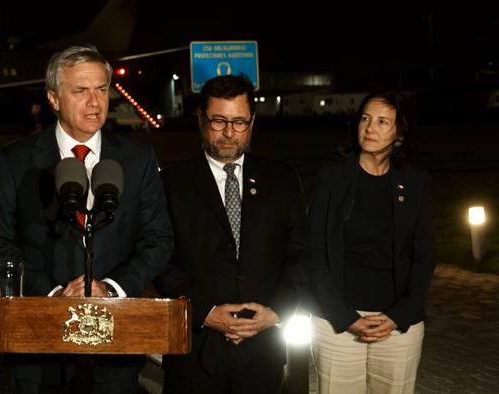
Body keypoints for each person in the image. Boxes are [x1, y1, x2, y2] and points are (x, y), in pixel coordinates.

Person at [0, 45, 173, 393]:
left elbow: (158, 239)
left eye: (101, 89)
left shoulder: (139, 159)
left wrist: (110, 288)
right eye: (80, 91)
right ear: (53, 98)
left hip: (114, 345)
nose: (95, 102)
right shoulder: (15, 160)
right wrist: (52, 293)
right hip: (39, 345)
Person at [153, 75, 308, 394]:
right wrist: (205, 312)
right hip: (194, 353)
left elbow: (300, 254)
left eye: (239, 122)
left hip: (263, 353)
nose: (228, 132)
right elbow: (160, 258)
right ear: (201, 120)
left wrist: (276, 312)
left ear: (252, 123)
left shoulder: (282, 179)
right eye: (219, 121)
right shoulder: (170, 183)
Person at [305, 91, 434, 393]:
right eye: (365, 119)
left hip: (398, 327)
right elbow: (314, 255)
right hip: (337, 324)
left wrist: (399, 315)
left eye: (382, 122)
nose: (370, 127)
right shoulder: (332, 179)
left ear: (399, 134)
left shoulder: (415, 183)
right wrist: (343, 316)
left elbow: (424, 257)